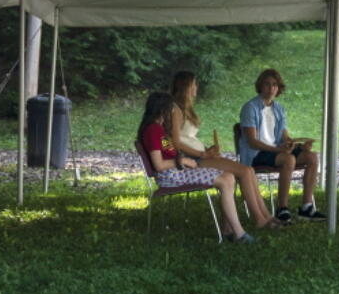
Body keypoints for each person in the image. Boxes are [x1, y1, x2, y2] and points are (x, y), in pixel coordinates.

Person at [168, 71, 285, 231]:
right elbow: (175, 142)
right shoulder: (174, 109)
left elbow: (187, 137)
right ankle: (259, 219)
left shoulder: (184, 108)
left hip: (200, 155)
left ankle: (265, 216)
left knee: (248, 170)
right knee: (244, 171)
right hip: (193, 160)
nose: (197, 87)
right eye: (194, 84)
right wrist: (202, 154)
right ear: (186, 86)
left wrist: (206, 149)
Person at [137, 91, 255, 243]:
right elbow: (159, 165)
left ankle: (229, 229)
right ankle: (238, 233)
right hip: (171, 176)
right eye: (171, 110)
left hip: (178, 171)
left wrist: (187, 156)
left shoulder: (159, 130)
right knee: (226, 180)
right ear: (163, 110)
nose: (173, 114)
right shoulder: (153, 131)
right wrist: (183, 161)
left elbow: (169, 151)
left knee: (229, 176)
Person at [238, 68, 326, 222]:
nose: (271, 88)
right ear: (260, 86)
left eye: (275, 85)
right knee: (288, 159)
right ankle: (282, 209)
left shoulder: (278, 108)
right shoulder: (250, 107)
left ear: (278, 88)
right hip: (257, 153)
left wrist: (293, 143)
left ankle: (306, 207)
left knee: (311, 157)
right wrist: (278, 149)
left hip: (275, 150)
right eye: (267, 84)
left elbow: (284, 135)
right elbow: (252, 141)